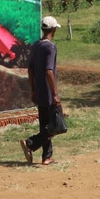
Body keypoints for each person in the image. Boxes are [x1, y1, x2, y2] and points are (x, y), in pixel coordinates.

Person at [20, 16, 62, 166]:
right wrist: (55, 93)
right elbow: (49, 71)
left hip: (39, 90)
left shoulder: (36, 45)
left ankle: (47, 156)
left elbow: (30, 70)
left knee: (45, 123)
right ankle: (30, 143)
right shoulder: (50, 47)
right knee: (57, 124)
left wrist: (33, 90)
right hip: (49, 93)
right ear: (53, 30)